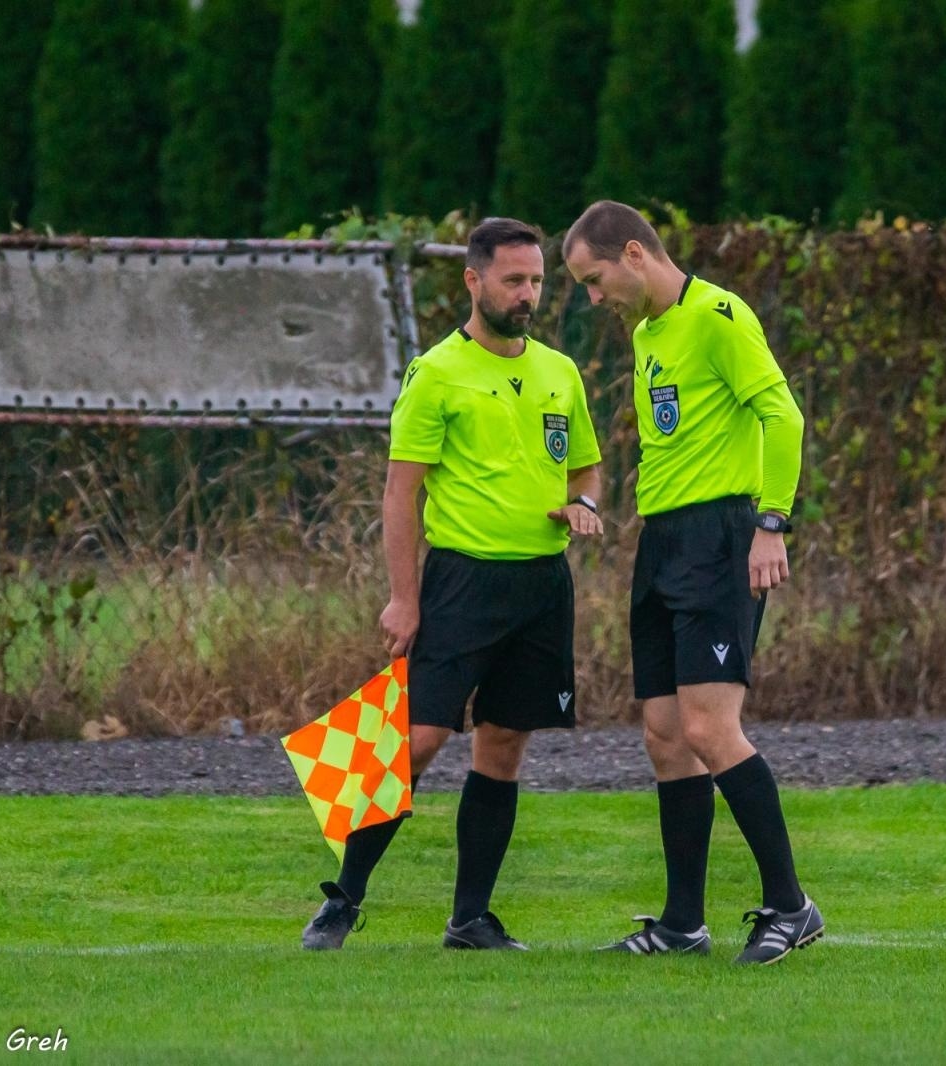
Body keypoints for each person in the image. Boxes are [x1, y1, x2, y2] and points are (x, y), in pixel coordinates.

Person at [301, 217, 604, 951]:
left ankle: (470, 919)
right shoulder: (436, 372)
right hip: (461, 583)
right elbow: (400, 493)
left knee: (502, 746)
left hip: (540, 586)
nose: (527, 294)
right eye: (513, 280)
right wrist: (404, 597)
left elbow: (587, 466)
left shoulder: (559, 372)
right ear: (474, 281)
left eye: (536, 280)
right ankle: (343, 900)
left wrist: (585, 504)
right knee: (419, 738)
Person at [561, 200, 822, 964]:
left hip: (720, 539)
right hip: (664, 542)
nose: (592, 297)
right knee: (666, 737)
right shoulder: (647, 335)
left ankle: (790, 904)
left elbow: (784, 416)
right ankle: (682, 924)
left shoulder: (719, 315)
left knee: (711, 729)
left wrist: (771, 523)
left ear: (634, 254)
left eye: (593, 279)